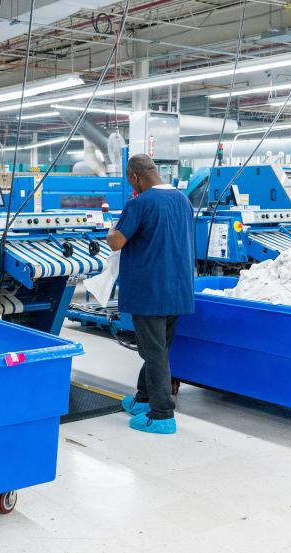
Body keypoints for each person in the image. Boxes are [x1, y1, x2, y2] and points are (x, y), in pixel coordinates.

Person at [106, 154, 195, 435]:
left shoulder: (139, 204)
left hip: (150, 290)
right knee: (159, 349)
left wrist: (110, 231)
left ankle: (161, 415)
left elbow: (117, 243)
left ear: (134, 177)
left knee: (154, 353)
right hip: (178, 289)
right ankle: (143, 398)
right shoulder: (183, 199)